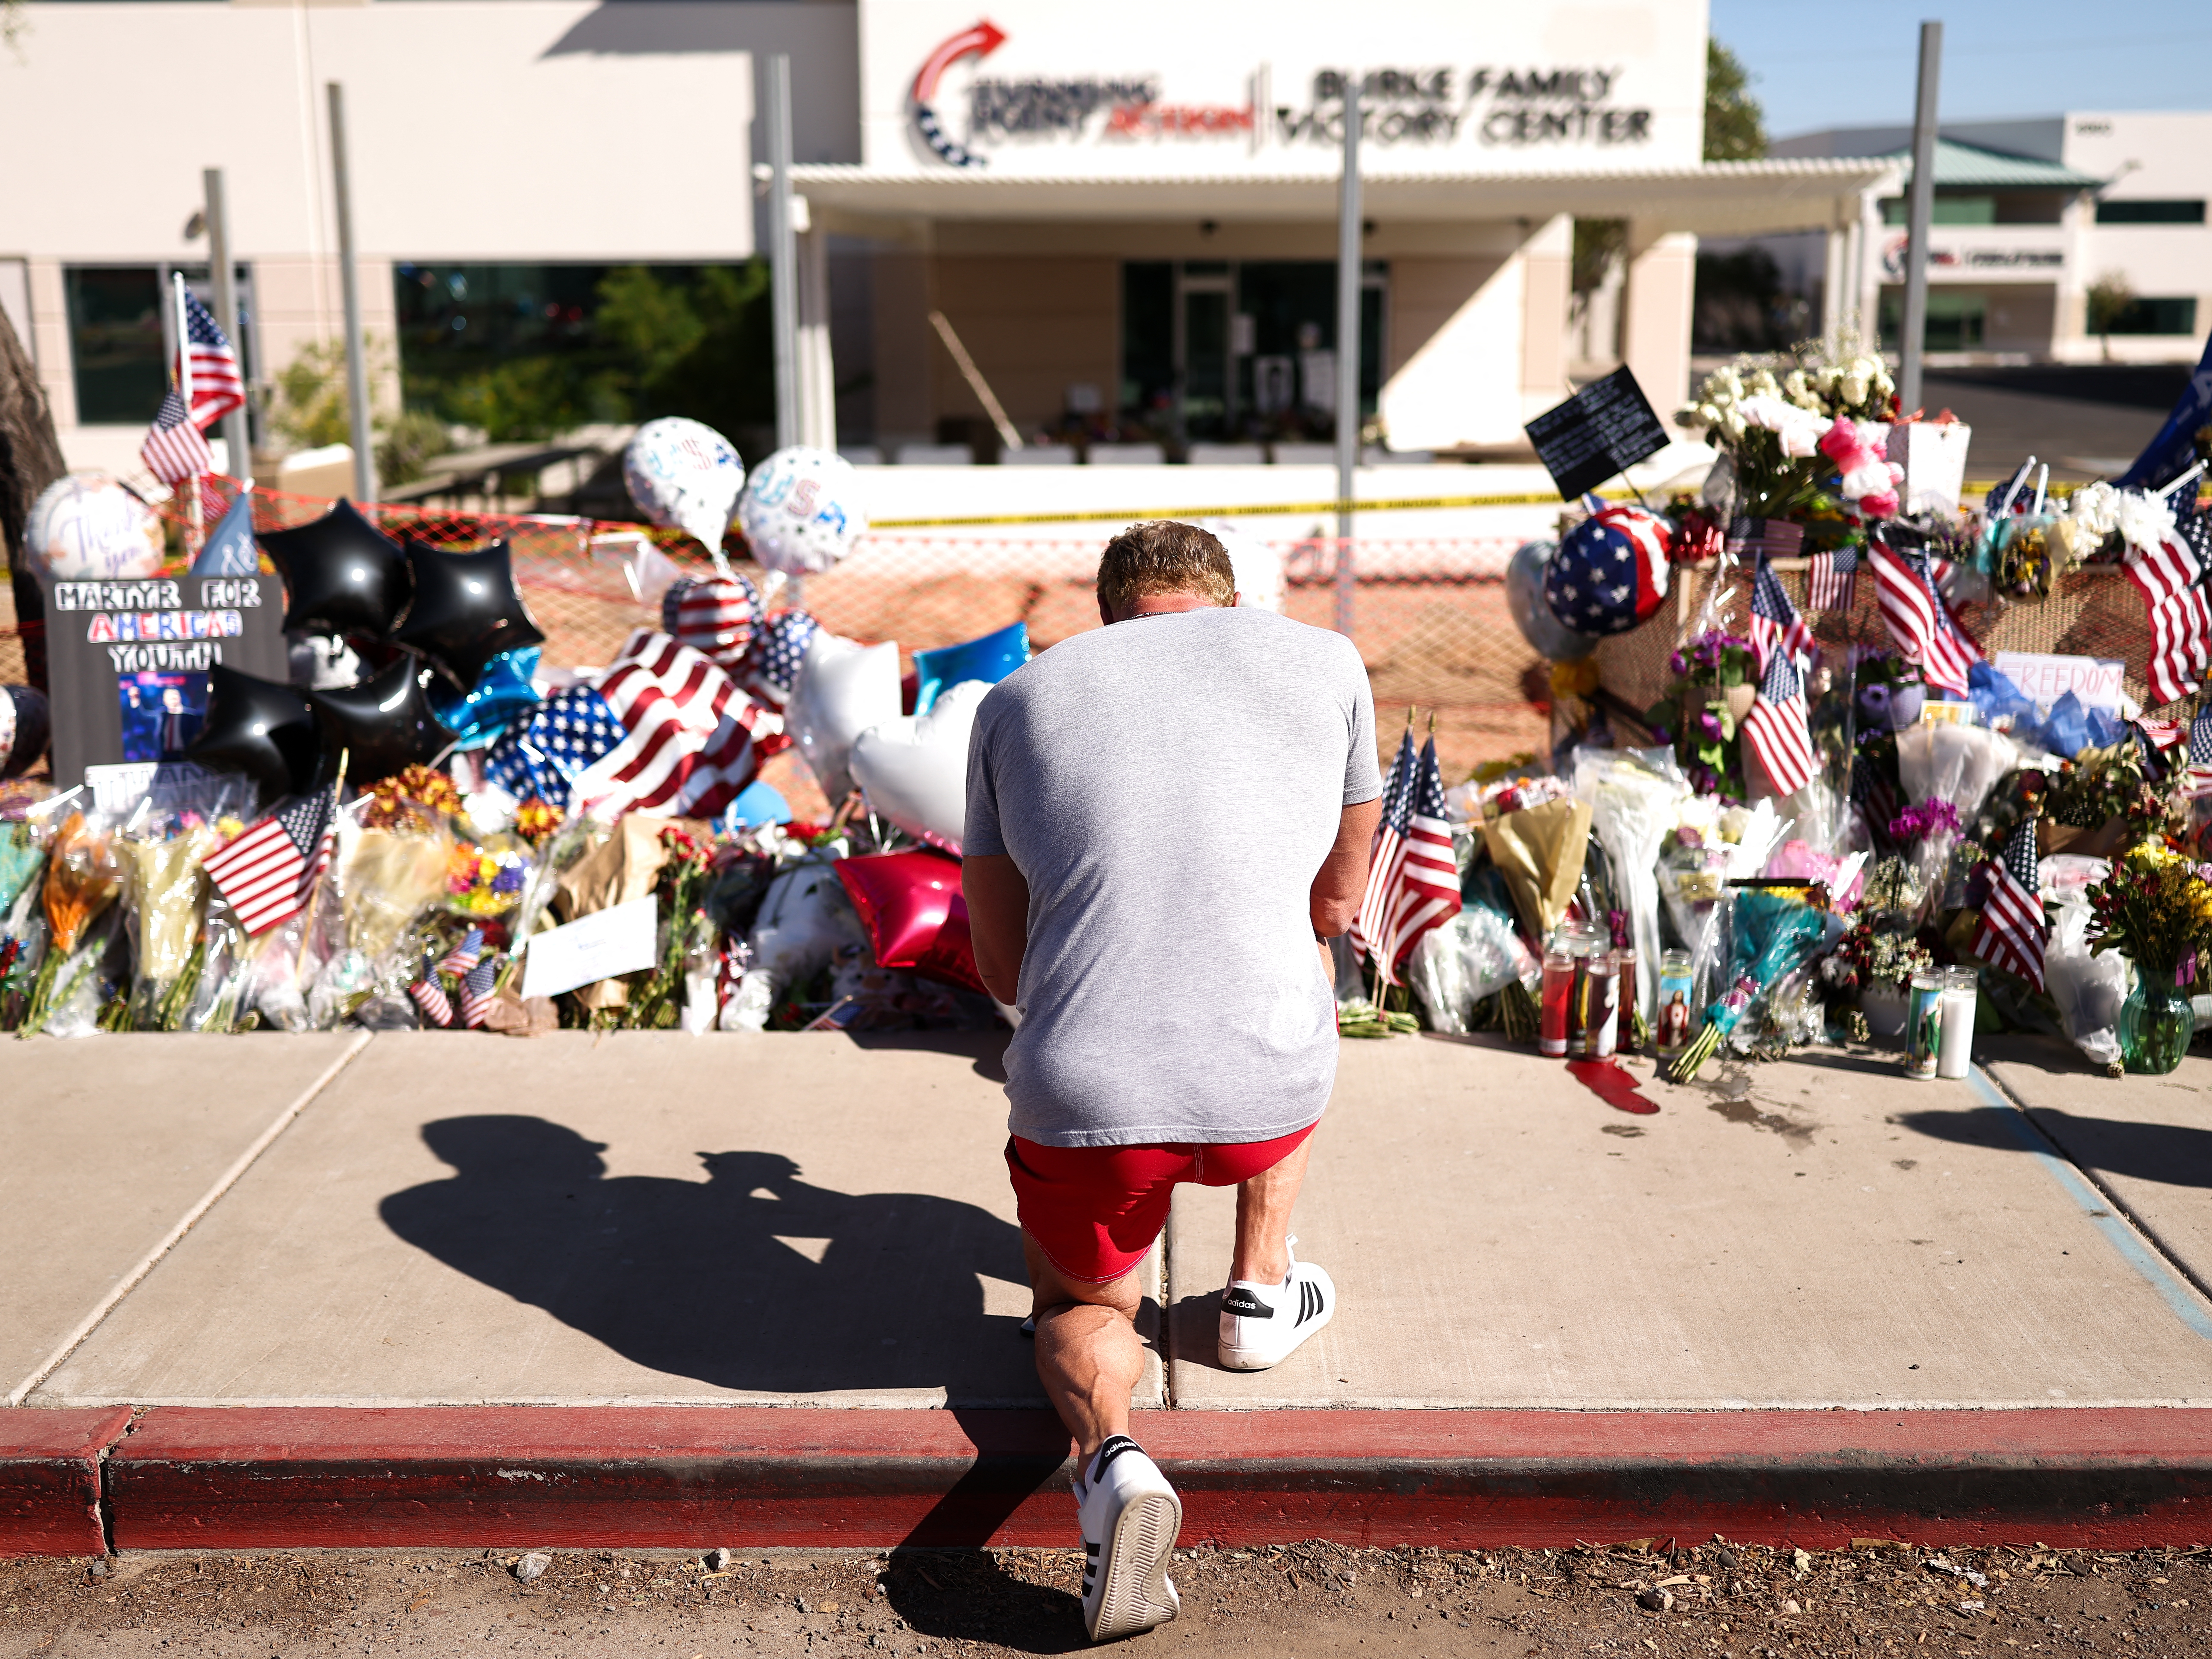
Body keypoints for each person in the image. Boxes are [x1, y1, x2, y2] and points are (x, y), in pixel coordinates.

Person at [963, 521, 1382, 1643]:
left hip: (1090, 1100)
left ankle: (1113, 1456)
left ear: (1106, 617)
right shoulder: (1327, 661)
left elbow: (999, 965)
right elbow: (1335, 909)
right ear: (1230, 598)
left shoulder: (1012, 702)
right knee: (1287, 990)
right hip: (1264, 1096)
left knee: (1080, 1310)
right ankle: (1256, 1287)